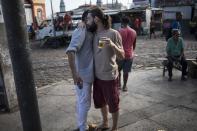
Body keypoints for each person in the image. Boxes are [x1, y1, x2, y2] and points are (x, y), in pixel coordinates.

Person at [87, 7, 124, 131]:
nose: (88, 21)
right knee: (101, 102)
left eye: (89, 18)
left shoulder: (113, 33)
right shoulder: (93, 33)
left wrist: (112, 45)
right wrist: (82, 23)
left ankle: (115, 128)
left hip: (109, 76)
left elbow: (122, 55)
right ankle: (106, 123)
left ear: (96, 19)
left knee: (113, 103)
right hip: (97, 76)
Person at [66, 10, 95, 131]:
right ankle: (83, 128)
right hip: (83, 75)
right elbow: (70, 51)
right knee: (85, 103)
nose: (93, 20)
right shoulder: (82, 30)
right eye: (89, 18)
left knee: (81, 101)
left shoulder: (88, 30)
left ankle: (81, 125)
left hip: (85, 74)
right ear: (84, 20)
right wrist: (75, 74)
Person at [118, 17, 137, 92]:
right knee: (126, 72)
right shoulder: (134, 32)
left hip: (120, 54)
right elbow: (134, 45)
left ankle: (118, 84)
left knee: (118, 70)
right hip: (129, 55)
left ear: (122, 22)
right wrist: (131, 51)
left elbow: (117, 43)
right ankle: (125, 86)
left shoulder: (119, 31)